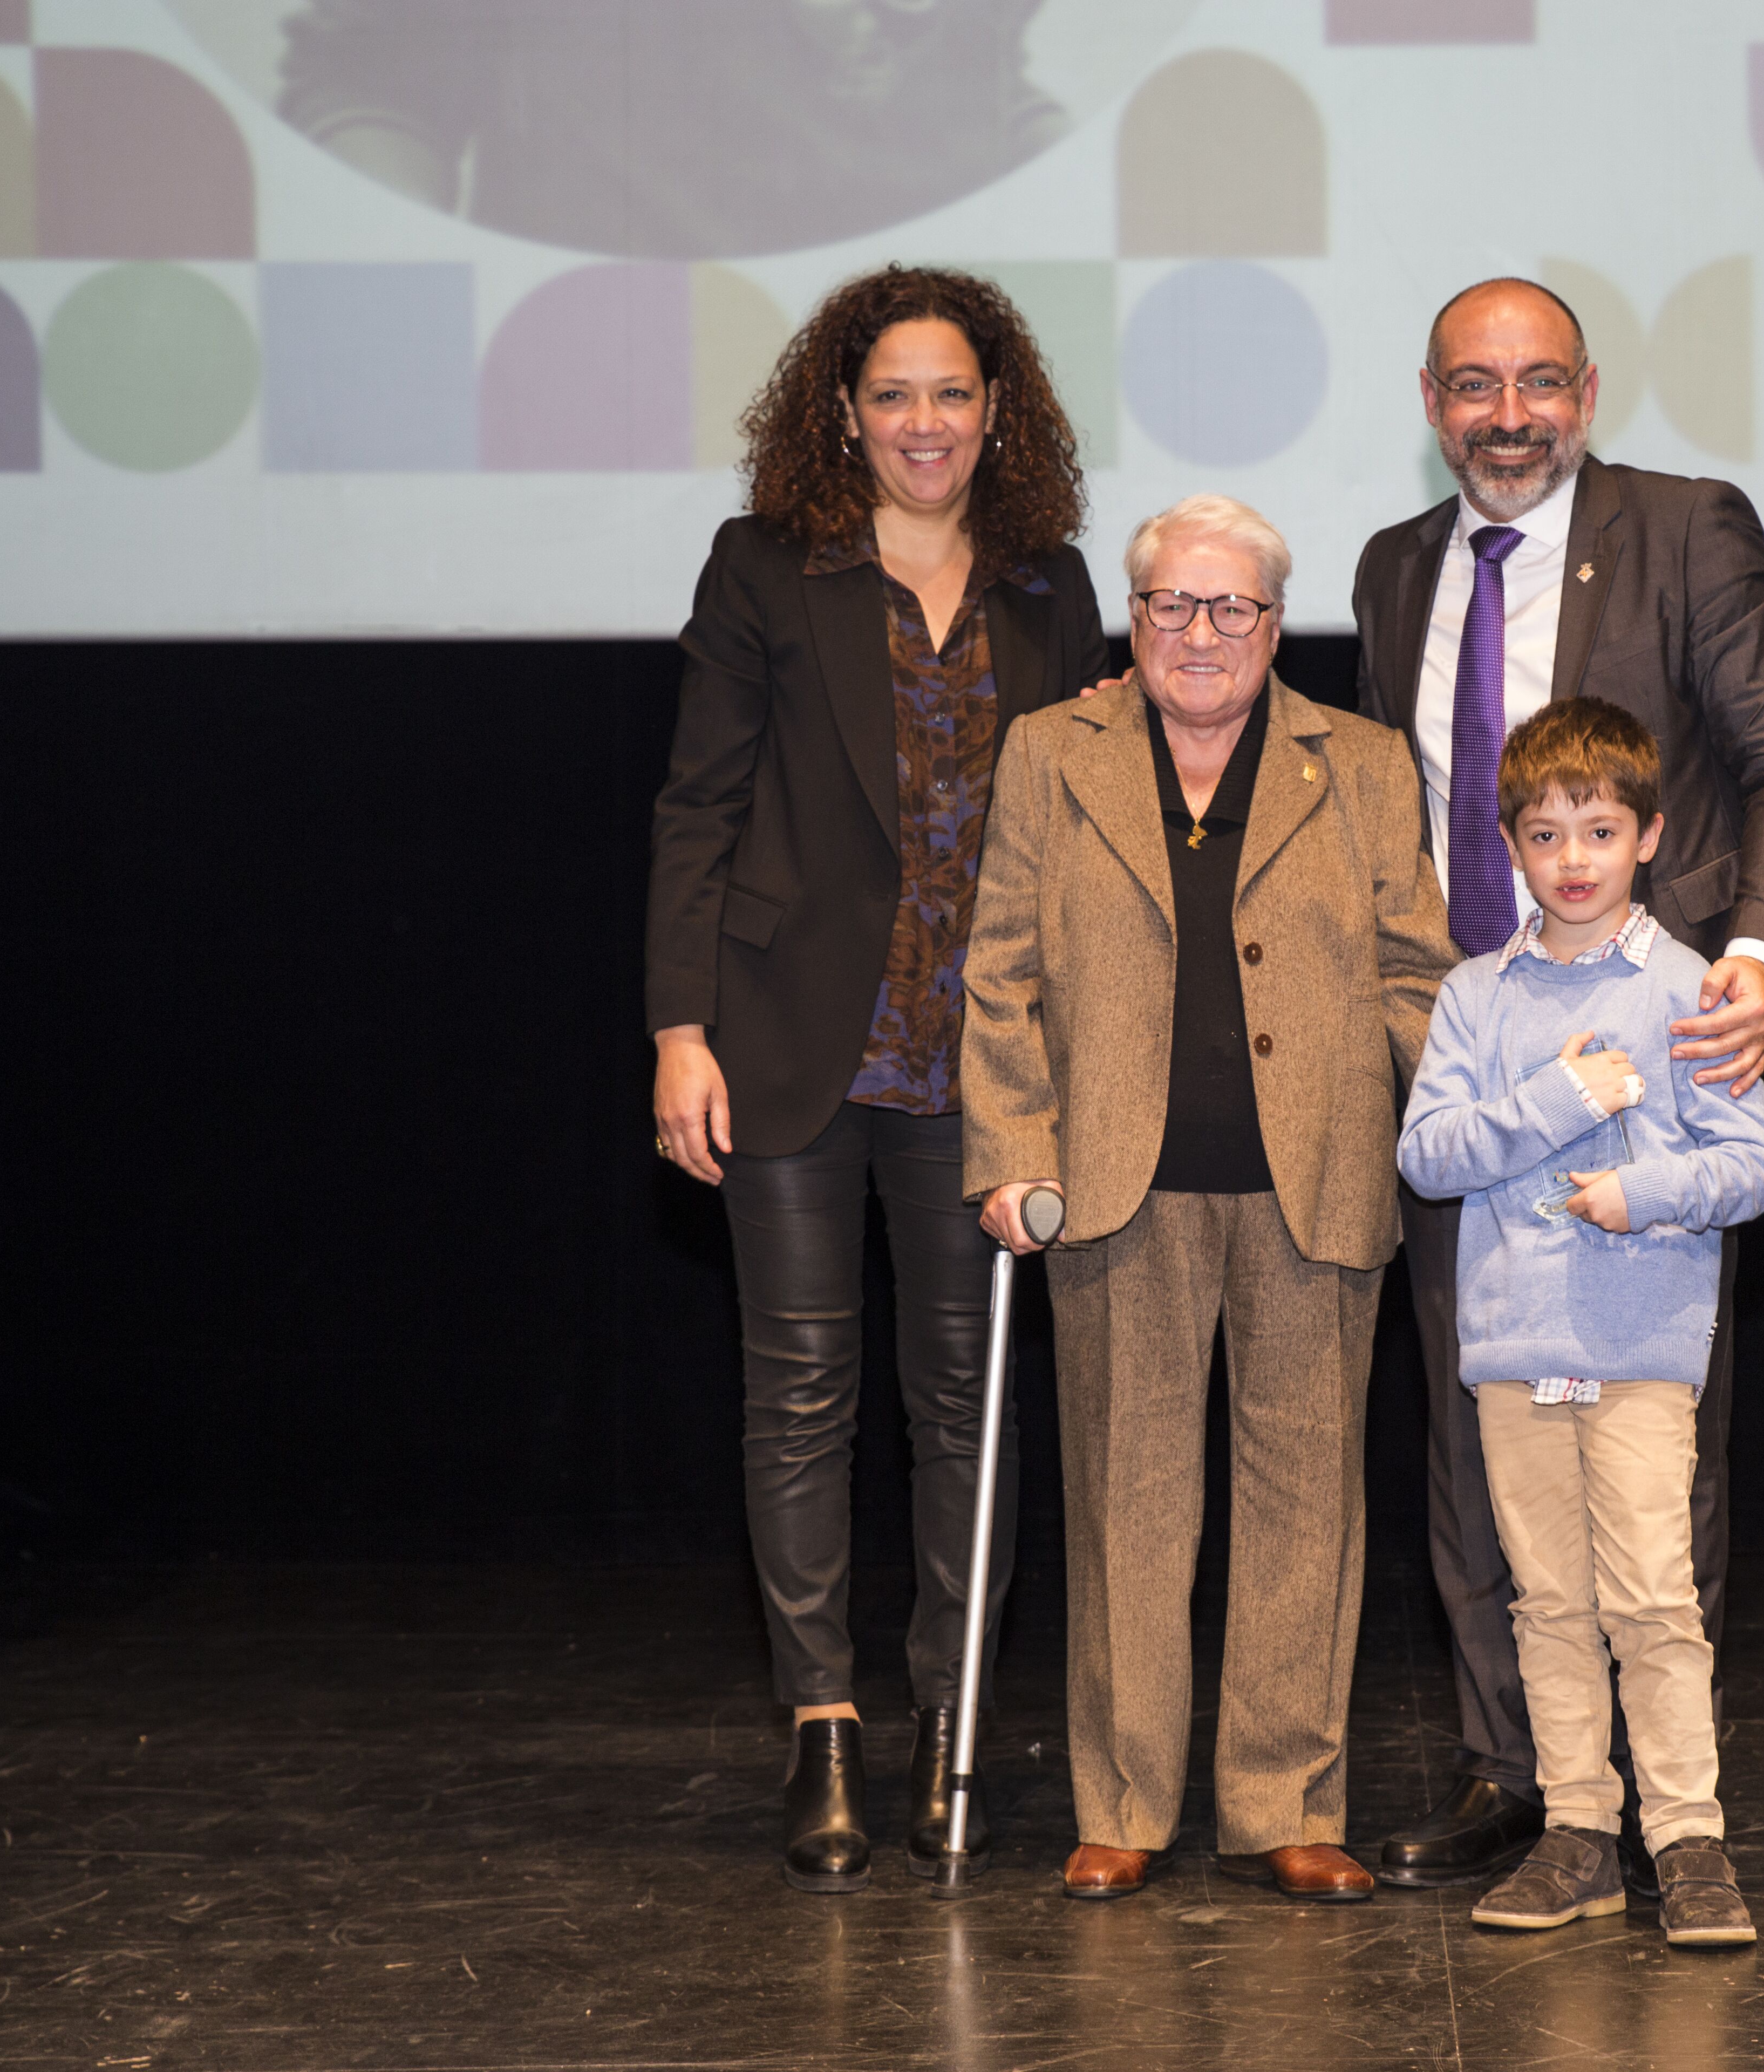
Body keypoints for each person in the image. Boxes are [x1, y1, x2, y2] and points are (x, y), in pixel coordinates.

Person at [1353, 276, 1764, 1892]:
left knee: (1649, 1451)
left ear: (1590, 392)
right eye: (1477, 385)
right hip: (1469, 1058)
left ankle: (1662, 1804)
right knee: (1475, 1442)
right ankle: (1533, 1784)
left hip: (1664, 1050)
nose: (1510, 413)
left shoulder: (1687, 526)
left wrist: (1751, 968)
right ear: (1431, 401)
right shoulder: (1394, 568)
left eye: (1541, 382)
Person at [645, 265, 1102, 1893]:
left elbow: (1085, 827)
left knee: (964, 1403)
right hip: (785, 1039)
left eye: (954, 394)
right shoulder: (768, 566)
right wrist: (676, 1027)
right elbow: (698, 804)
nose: (925, 423)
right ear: (843, 411)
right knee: (803, 1395)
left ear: (1000, 414)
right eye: (894, 394)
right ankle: (824, 1724)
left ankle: (950, 1729)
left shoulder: (1050, 584)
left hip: (977, 1057)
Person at [962, 495, 1456, 1904]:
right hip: (1117, 1191)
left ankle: (1284, 1806)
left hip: (1318, 1183)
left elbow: (1414, 970)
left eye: (1231, 607)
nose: (1201, 633)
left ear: (1273, 623)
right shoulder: (1051, 757)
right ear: (1135, 617)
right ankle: (1123, 1805)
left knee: (1309, 1506)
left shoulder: (1356, 763)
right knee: (1129, 1504)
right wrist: (1009, 1149)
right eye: (1173, 605)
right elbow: (998, 970)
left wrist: (1477, 1117)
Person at [1397, 697, 1764, 1946]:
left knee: (1654, 1601)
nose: (1574, 860)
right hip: (1517, 1362)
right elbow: (1428, 1156)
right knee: (1547, 1603)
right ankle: (1579, 1831)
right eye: (1547, 835)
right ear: (1511, 845)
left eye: (1601, 832)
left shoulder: (1695, 990)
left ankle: (1688, 1839)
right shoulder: (1473, 998)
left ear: (1649, 838)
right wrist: (1561, 1099)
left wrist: (1647, 1192)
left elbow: (1756, 1165)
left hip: (1636, 1359)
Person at [275, 0, 1066, 259]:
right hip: (607, 391)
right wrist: (420, 274)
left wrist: (1067, 162)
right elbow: (378, 76)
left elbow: (966, 64)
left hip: (936, 429)